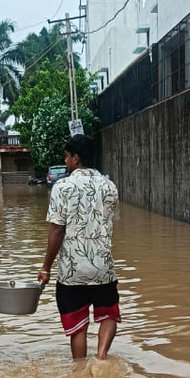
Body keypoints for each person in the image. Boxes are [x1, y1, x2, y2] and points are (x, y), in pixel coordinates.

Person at [37, 135, 120, 361]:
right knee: (109, 313)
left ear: (75, 158)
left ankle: (80, 370)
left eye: (66, 156)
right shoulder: (109, 186)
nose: (65, 161)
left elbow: (57, 230)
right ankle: (102, 357)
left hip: (72, 271)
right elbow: (111, 223)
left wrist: (45, 267)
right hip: (103, 267)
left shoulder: (62, 187)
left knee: (78, 326)